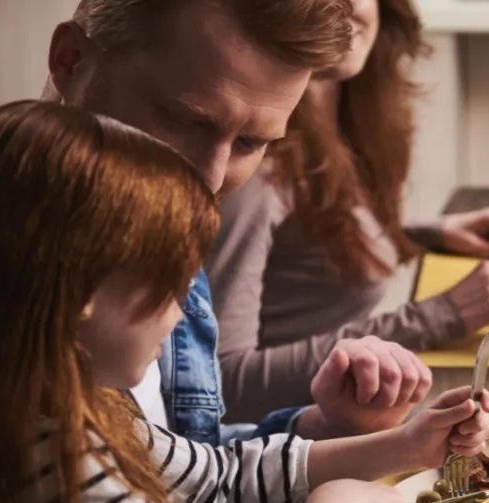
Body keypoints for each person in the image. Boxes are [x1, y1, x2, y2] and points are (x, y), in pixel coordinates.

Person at [0, 100, 489, 503]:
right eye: (168, 288)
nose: (180, 317)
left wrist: (404, 445)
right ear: (84, 298)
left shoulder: (59, 408)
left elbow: (216, 476)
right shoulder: (49, 461)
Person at [44, 0, 433, 445]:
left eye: (250, 143)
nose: (211, 178)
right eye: (185, 119)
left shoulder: (160, 230)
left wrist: (323, 429)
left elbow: (191, 462)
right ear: (70, 61)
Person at [209, 0, 489, 421]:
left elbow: (295, 251)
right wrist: (444, 314)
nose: (346, 5)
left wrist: (422, 233)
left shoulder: (348, 111)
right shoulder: (252, 168)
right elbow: (221, 383)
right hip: (288, 444)